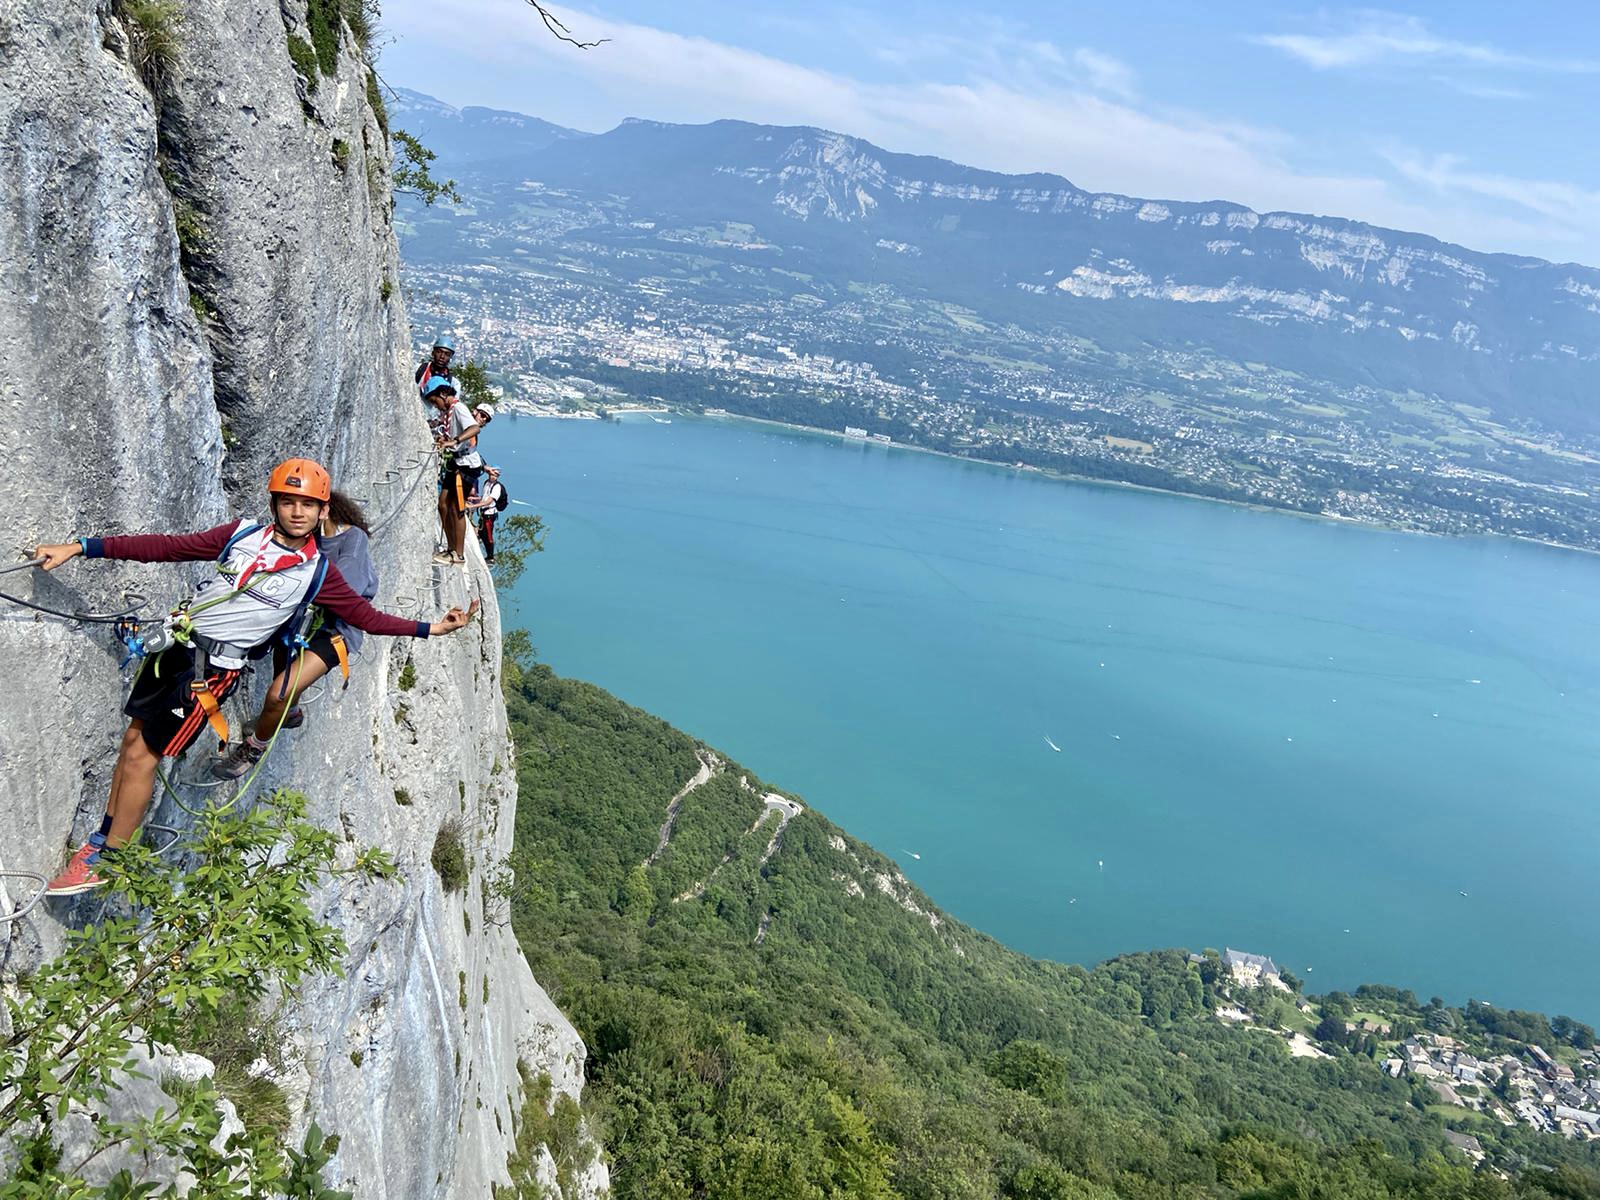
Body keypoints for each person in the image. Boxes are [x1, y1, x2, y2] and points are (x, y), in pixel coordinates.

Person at [32, 458, 479, 895]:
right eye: (288, 502)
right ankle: (102, 839)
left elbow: (365, 616)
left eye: (306, 505)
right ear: (274, 505)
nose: (297, 512)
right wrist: (81, 547)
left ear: (324, 511)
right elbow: (167, 547)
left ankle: (110, 859)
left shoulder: (316, 574)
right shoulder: (242, 534)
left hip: (210, 674)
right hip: (178, 645)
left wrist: (432, 628)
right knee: (132, 744)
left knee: (143, 756)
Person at [211, 489, 377, 779]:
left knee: (280, 693)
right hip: (297, 624)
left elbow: (347, 584)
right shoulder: (308, 539)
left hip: (335, 631)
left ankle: (253, 749)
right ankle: (291, 714)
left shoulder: (353, 539)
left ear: (323, 512)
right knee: (284, 670)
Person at [426, 378, 485, 565]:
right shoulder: (449, 411)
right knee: (442, 504)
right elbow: (442, 425)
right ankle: (451, 548)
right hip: (459, 464)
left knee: (456, 509)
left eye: (435, 401)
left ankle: (457, 555)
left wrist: (455, 441)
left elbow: (475, 428)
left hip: (467, 466)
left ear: (443, 395)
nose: (436, 406)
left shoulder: (458, 408)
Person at [466, 465, 503, 564]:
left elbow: (489, 501)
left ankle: (490, 557)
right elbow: (484, 497)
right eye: (491, 474)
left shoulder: (497, 487)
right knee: (482, 533)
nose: (493, 476)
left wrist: (473, 506)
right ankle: (487, 555)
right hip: (484, 513)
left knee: (488, 535)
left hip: (489, 514)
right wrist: (474, 499)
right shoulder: (487, 483)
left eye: (495, 475)